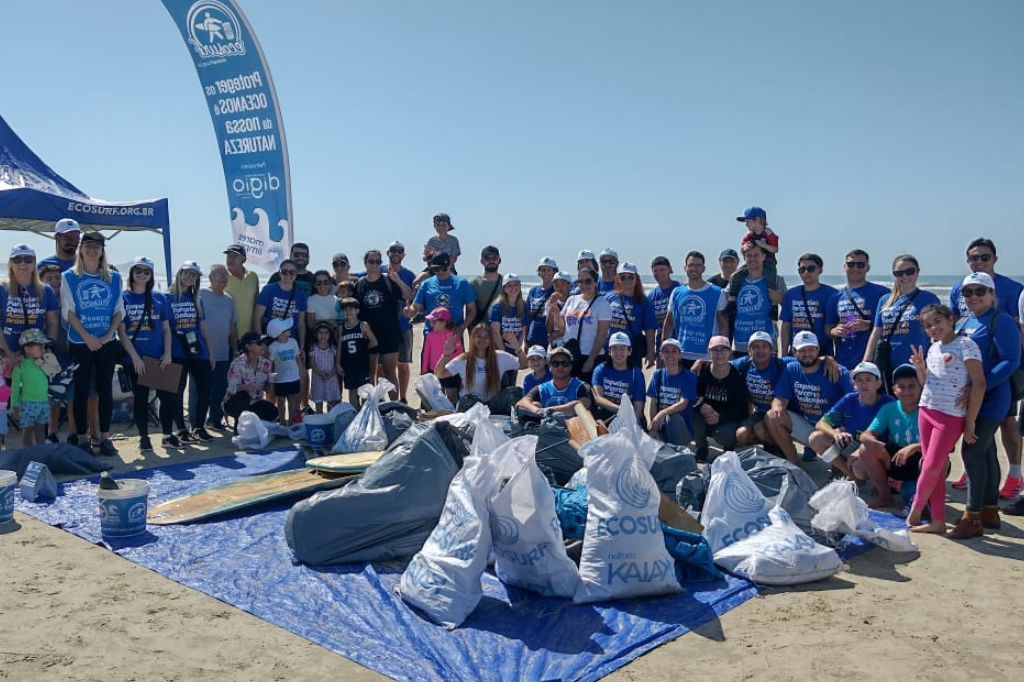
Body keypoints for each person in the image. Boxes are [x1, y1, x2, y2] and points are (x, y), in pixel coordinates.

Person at [946, 272, 1021, 538]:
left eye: (980, 291)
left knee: (973, 451)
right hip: (969, 396)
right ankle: (990, 511)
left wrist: (980, 386)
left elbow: (1010, 360)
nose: (974, 297)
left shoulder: (1001, 322)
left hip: (991, 397)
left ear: (992, 294)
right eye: (968, 292)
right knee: (987, 452)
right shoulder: (966, 320)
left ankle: (972, 516)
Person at [905, 304, 985, 533]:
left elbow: (979, 383)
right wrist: (920, 368)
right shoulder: (933, 348)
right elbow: (927, 381)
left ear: (950, 319)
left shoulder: (966, 345)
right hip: (926, 409)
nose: (933, 328)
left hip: (951, 416)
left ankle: (916, 510)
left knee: (930, 466)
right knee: (934, 468)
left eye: (937, 322)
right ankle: (938, 520)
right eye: (928, 325)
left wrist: (970, 423)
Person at [60, 232, 124, 456]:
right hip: (80, 341)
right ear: (81, 248)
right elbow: (68, 311)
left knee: (105, 390)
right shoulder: (69, 277)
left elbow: (118, 311)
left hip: (107, 342)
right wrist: (87, 337)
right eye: (88, 245)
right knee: (81, 391)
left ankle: (105, 438)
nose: (92, 249)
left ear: (102, 250)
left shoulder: (114, 277)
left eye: (97, 245)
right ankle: (82, 438)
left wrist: (106, 337)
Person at [117, 256, 179, 452]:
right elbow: (121, 331)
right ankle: (144, 438)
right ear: (132, 273)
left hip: (159, 357)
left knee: (168, 398)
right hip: (135, 359)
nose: (142, 275)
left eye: (146, 271)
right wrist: (135, 357)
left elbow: (167, 329)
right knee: (141, 399)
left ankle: (167, 435)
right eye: (138, 271)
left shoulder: (160, 298)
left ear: (151, 275)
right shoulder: (123, 298)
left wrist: (168, 353)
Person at [767, 331, 853, 466]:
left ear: (818, 350)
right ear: (794, 352)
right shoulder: (791, 368)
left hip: (833, 428)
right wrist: (777, 406)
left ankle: (847, 473)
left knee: (825, 444)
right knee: (772, 416)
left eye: (811, 349)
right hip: (807, 425)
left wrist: (843, 429)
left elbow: (855, 403)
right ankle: (794, 465)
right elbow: (780, 398)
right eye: (802, 350)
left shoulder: (838, 371)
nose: (807, 354)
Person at [862, 254, 939, 393]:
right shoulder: (885, 300)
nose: (905, 276)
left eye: (909, 271)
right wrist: (866, 362)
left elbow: (939, 332)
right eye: (899, 273)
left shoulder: (928, 298)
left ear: (917, 272)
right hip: (888, 364)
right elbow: (876, 332)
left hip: (917, 364)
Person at [855, 364, 925, 510]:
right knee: (865, 449)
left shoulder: (929, 409)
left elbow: (948, 448)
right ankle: (885, 497)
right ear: (894, 389)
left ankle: (920, 498)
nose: (906, 391)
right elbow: (866, 435)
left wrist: (915, 447)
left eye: (911, 386)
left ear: (920, 387)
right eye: (901, 386)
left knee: (911, 491)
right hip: (896, 458)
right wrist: (872, 441)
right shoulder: (889, 408)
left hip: (922, 457)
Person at [811, 361, 894, 480]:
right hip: (852, 442)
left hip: (878, 448)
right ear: (854, 383)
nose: (864, 384)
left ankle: (879, 478)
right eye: (859, 380)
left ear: (878, 383)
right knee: (816, 439)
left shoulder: (889, 403)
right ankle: (849, 475)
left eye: (869, 379)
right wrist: (836, 434)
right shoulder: (849, 399)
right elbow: (821, 423)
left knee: (859, 470)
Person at [168, 261, 216, 443]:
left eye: (194, 275)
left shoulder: (197, 299)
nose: (190, 277)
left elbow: (203, 328)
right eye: (187, 273)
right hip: (176, 351)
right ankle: (181, 428)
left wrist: (210, 352)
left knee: (204, 390)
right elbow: (165, 327)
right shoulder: (167, 297)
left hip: (197, 351)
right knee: (177, 392)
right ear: (179, 273)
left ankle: (198, 427)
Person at [355, 249, 412, 401]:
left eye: (377, 261)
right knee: (370, 372)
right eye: (371, 261)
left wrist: (398, 280)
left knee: (389, 372)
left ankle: (395, 406)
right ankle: (371, 404)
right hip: (368, 334)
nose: (374, 264)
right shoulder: (359, 284)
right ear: (365, 263)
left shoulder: (389, 280)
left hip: (389, 332)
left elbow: (408, 295)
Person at [435, 323, 526, 415]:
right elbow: (440, 374)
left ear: (490, 340)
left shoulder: (500, 356)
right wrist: (446, 355)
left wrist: (518, 349)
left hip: (493, 403)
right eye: (479, 336)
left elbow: (524, 365)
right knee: (465, 402)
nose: (482, 340)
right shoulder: (464, 359)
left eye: (486, 337)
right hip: (472, 404)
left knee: (516, 392)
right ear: (472, 338)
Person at [825, 249, 891, 370]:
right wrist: (836, 331)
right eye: (851, 265)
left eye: (860, 265)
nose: (855, 268)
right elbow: (828, 330)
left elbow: (893, 326)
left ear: (868, 267)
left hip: (873, 360)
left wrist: (869, 325)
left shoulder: (882, 293)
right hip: (843, 360)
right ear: (845, 267)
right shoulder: (835, 297)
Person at [662, 251, 726, 367]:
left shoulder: (717, 292)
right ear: (685, 267)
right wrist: (664, 347)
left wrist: (723, 351)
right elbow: (669, 322)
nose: (694, 268)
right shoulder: (676, 292)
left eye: (698, 265)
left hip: (707, 355)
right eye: (691, 265)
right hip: (681, 354)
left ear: (703, 268)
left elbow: (723, 325)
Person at [692, 335, 749, 462]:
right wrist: (701, 405)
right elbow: (693, 395)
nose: (719, 354)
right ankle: (702, 448)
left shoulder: (736, 376)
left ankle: (729, 449)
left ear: (730, 352)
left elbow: (741, 408)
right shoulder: (702, 371)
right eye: (715, 350)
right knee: (693, 415)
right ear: (708, 352)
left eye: (723, 350)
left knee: (724, 433)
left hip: (727, 419)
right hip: (706, 415)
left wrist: (720, 416)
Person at [1, 243, 60, 359]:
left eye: (28, 259)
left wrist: (47, 349)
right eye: (17, 259)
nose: (23, 263)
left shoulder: (46, 290)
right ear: (11, 264)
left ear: (34, 264)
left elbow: (53, 323)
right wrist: (8, 354)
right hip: (5, 354)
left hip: (35, 355)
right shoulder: (2, 290)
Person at [555, 267, 612, 382]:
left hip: (590, 355)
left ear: (596, 283)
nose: (584, 285)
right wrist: (556, 314)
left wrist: (591, 360)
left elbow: (602, 335)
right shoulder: (572, 300)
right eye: (581, 281)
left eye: (588, 281)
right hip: (570, 353)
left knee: (587, 394)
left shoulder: (602, 303)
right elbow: (562, 328)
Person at [199, 264, 237, 430]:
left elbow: (232, 328)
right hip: (202, 353)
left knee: (220, 388)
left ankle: (214, 419)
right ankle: (197, 423)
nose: (223, 277)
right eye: (218, 274)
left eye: (225, 274)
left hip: (223, 352)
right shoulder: (200, 295)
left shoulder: (229, 300)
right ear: (210, 277)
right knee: (201, 390)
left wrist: (235, 351)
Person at [407, 252, 476, 341]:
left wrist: (461, 327)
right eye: (436, 269)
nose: (440, 272)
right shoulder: (426, 284)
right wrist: (409, 311)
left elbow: (472, 309)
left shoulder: (461, 283)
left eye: (443, 269)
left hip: (454, 335)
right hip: (431, 335)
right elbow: (416, 307)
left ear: (450, 266)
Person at [779, 253, 837, 356]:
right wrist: (783, 354)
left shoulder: (832, 294)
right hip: (796, 351)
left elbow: (838, 323)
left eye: (811, 269)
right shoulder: (791, 294)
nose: (806, 273)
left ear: (820, 270)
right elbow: (786, 325)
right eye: (802, 270)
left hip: (821, 351)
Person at [732, 242, 785, 354]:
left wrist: (780, 299)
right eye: (749, 256)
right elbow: (725, 303)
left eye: (756, 255)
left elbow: (789, 308)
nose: (753, 259)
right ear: (744, 258)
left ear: (764, 257)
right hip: (741, 343)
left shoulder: (777, 281)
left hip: (767, 342)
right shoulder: (736, 281)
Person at [725, 206, 780, 309]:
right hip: (752, 262)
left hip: (768, 261)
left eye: (747, 221)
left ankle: (774, 306)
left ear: (757, 220)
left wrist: (763, 245)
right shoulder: (749, 235)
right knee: (736, 275)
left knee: (771, 279)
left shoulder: (768, 233)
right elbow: (743, 248)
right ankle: (732, 301)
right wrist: (745, 247)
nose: (746, 224)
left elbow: (775, 249)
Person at [382, 240, 416, 402]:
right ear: (387, 253)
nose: (396, 253)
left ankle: (402, 398)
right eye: (393, 250)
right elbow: (354, 277)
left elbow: (414, 297)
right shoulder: (378, 270)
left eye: (399, 251)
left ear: (403, 255)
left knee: (403, 364)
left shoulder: (409, 275)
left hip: (403, 325)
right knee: (381, 366)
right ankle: (381, 398)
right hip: (382, 326)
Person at [605, 262, 657, 367]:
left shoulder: (643, 301)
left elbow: (650, 329)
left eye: (630, 277)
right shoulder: (609, 298)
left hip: (632, 351)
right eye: (623, 277)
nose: (627, 280)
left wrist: (651, 352)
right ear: (618, 279)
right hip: (610, 349)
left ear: (636, 279)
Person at [646, 338, 697, 446]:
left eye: (674, 351)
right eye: (666, 351)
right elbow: (653, 402)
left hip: (681, 428)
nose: (670, 355)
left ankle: (680, 451)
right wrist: (653, 425)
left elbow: (683, 404)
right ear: (661, 355)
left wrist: (663, 412)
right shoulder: (658, 374)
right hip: (662, 426)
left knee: (672, 417)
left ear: (680, 355)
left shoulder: (689, 376)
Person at [515, 346, 592, 416]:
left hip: (575, 428)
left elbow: (582, 405)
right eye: (555, 364)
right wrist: (537, 410)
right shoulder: (541, 388)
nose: (560, 367)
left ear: (570, 366)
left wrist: (547, 411)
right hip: (547, 429)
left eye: (565, 363)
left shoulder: (582, 386)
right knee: (535, 404)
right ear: (549, 367)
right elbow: (521, 403)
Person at [223, 332, 279, 425]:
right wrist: (246, 387)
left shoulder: (266, 363)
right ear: (248, 347)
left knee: (272, 411)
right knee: (243, 398)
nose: (263, 345)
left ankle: (253, 424)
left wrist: (268, 386)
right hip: (234, 402)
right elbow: (231, 388)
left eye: (263, 342)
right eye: (259, 343)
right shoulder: (237, 363)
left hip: (255, 401)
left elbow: (265, 387)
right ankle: (239, 425)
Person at [591, 332, 646, 422]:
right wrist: (621, 410)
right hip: (606, 414)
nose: (618, 353)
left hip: (629, 418)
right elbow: (598, 399)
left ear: (629, 351)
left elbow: (638, 408)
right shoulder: (601, 369)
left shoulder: (636, 373)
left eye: (623, 348)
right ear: (609, 351)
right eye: (614, 348)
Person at [10, 329, 51, 446]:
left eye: (44, 346)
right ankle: (27, 455)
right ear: (27, 349)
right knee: (27, 432)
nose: (44, 349)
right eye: (40, 347)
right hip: (27, 404)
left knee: (41, 431)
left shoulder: (45, 362)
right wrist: (14, 406)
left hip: (43, 403)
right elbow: (15, 387)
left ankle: (40, 454)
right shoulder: (20, 366)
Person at [255, 259, 309, 350]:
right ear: (279, 273)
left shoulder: (301, 295)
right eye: (284, 272)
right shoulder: (268, 290)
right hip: (271, 342)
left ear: (296, 274)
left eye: (292, 272)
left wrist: (302, 347)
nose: (288, 275)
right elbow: (257, 318)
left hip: (291, 343)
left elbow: (301, 324)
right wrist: (260, 343)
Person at [336, 297, 377, 407]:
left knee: (364, 389)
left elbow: (374, 341)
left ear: (357, 310)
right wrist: (338, 364)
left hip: (362, 363)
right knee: (352, 389)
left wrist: (364, 348)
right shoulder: (341, 327)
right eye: (346, 310)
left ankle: (364, 411)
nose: (348, 312)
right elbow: (339, 346)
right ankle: (354, 412)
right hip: (348, 364)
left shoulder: (362, 325)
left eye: (351, 309)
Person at [266, 317, 304, 424]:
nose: (290, 330)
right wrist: (272, 381)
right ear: (280, 333)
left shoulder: (293, 342)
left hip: (294, 377)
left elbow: (297, 358)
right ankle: (282, 422)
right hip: (280, 380)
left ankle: (291, 422)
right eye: (287, 329)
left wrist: (300, 374)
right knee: (281, 402)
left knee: (292, 400)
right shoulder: (273, 347)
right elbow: (271, 365)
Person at [223, 243, 259, 336]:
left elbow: (256, 303)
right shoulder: (221, 276)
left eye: (235, 256)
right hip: (227, 334)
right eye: (229, 256)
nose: (231, 259)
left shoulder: (253, 276)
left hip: (248, 334)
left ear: (244, 259)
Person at [649, 256, 680, 357]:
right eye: (655, 271)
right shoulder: (652, 295)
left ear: (670, 270)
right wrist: (651, 350)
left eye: (662, 270)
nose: (659, 273)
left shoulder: (680, 289)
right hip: (662, 342)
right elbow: (651, 326)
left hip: (680, 340)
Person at [490, 274, 528, 356]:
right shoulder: (497, 306)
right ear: (504, 289)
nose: (513, 288)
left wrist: (517, 348)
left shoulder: (524, 305)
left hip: (515, 350)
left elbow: (523, 331)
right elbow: (496, 333)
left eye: (516, 284)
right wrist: (504, 353)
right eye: (509, 285)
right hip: (499, 350)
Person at [525, 257, 558, 349]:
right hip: (532, 337)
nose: (546, 273)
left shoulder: (557, 290)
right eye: (543, 270)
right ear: (539, 272)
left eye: (549, 270)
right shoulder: (533, 290)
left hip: (549, 339)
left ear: (554, 272)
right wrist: (524, 339)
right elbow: (528, 317)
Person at [308, 321, 341, 412]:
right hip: (318, 378)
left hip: (331, 377)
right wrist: (321, 373)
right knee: (319, 400)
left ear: (330, 334)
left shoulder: (333, 346)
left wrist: (332, 372)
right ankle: (319, 417)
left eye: (326, 333)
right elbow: (312, 364)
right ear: (316, 334)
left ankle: (330, 419)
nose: (323, 336)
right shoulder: (313, 347)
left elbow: (336, 361)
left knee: (331, 400)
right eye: (320, 333)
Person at [421, 307, 463, 376]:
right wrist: (424, 370)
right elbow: (426, 354)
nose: (431, 324)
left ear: (444, 322)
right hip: (433, 370)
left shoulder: (453, 336)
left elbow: (460, 352)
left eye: (434, 322)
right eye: (431, 321)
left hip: (449, 371)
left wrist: (449, 358)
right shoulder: (430, 336)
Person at [469, 245, 503, 327]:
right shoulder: (474, 283)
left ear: (499, 260)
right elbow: (469, 310)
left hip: (501, 331)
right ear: (481, 261)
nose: (491, 261)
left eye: (494, 258)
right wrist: (471, 333)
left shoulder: (506, 283)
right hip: (481, 333)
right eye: (487, 259)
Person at [710, 248, 740, 338]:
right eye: (725, 261)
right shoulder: (712, 283)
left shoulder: (743, 280)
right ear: (719, 262)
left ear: (737, 262)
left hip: (739, 325)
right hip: (719, 326)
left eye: (732, 261)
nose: (728, 264)